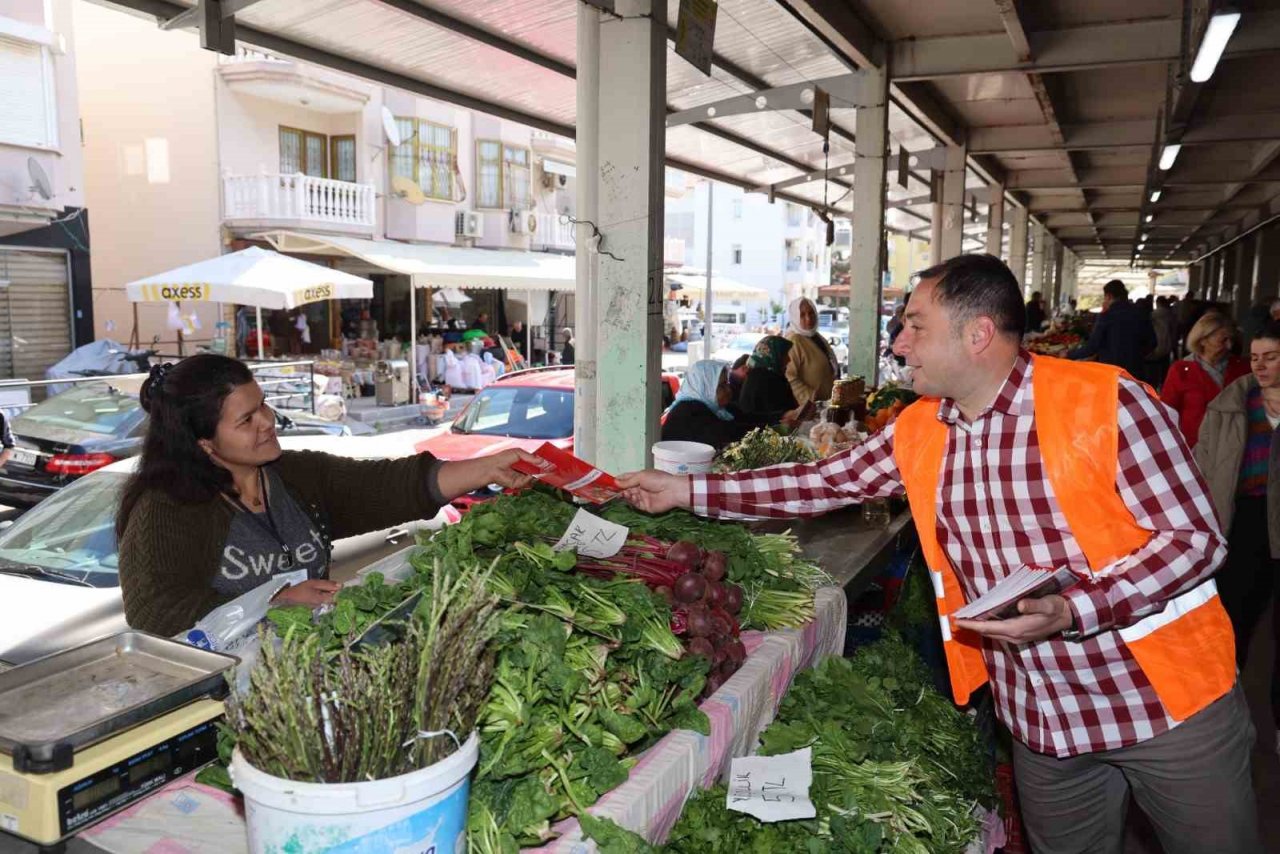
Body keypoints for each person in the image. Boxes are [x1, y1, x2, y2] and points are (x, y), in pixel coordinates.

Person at [621, 253, 1259, 854]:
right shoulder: (922, 426)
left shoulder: (1107, 402)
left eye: (915, 328)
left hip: (1165, 705)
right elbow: (822, 482)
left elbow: (1194, 540)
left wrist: (1074, 609)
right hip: (1043, 721)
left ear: (977, 334)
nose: (898, 344)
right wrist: (687, 489)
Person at [117, 354, 536, 637]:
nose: (267, 422)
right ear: (203, 443)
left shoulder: (296, 475)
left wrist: (488, 467)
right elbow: (154, 616)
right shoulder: (167, 508)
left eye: (262, 406)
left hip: (307, 673)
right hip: (224, 703)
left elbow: (390, 486)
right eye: (246, 420)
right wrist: (272, 603)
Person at [1195, 320, 1280, 755]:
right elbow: (1202, 465)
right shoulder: (1230, 404)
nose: (1261, 366)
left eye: (1272, 357)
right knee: (1233, 625)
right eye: (1255, 357)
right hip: (1242, 524)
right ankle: (1223, 716)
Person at [661, 360, 797, 451]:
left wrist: (781, 416)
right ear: (705, 387)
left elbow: (746, 417)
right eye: (721, 386)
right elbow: (730, 432)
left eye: (726, 383)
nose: (728, 390)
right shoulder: (689, 411)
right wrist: (777, 427)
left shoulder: (717, 408)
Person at [1161, 312, 1250, 447]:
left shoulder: (1242, 368)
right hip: (1194, 447)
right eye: (1223, 340)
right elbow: (1167, 412)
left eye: (1231, 340)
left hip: (1234, 447)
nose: (1229, 346)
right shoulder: (1181, 370)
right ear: (1202, 340)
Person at [1067, 279, 1155, 377]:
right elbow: (1153, 342)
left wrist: (1069, 355)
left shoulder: (1107, 316)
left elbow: (1093, 346)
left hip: (1111, 372)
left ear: (1109, 296)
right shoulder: (1141, 313)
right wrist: (1137, 355)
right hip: (1136, 372)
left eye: (1105, 297)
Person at [784, 297, 837, 405]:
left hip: (825, 405)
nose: (808, 318)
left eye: (811, 313)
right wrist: (811, 398)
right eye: (802, 315)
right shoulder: (793, 341)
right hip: (809, 409)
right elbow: (789, 377)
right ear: (795, 317)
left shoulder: (816, 337)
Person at [738, 335, 800, 418]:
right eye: (785, 355)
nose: (789, 360)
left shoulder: (764, 375)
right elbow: (782, 415)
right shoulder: (765, 379)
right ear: (775, 356)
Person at [1146, 295, 1178, 387]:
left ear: (1157, 303)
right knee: (1165, 366)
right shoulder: (1172, 315)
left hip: (1156, 344)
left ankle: (1154, 385)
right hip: (1167, 344)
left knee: (1154, 368)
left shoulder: (1152, 315)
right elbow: (1174, 331)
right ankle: (1164, 383)